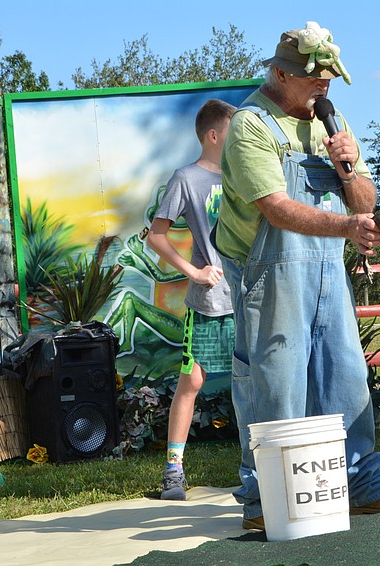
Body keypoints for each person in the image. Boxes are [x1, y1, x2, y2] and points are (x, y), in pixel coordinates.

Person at [214, 23, 380, 530]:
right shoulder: (250, 126)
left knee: (347, 378)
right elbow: (278, 210)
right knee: (275, 386)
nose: (325, 86)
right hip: (269, 274)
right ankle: (264, 502)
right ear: (281, 73)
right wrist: (349, 226)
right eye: (314, 77)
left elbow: (366, 202)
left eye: (330, 76)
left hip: (328, 267)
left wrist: (349, 169)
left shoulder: (332, 120)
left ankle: (364, 486)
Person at [146, 99, 237, 501]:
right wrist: (195, 272)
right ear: (214, 136)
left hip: (250, 296)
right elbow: (156, 235)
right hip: (208, 300)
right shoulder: (186, 178)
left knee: (257, 379)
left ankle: (264, 462)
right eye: (234, 132)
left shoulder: (245, 174)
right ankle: (173, 471)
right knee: (193, 380)